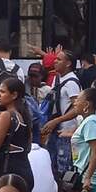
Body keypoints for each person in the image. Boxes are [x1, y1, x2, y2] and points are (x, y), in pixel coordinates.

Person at [39, 49, 81, 179]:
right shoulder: (57, 78)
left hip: (66, 131)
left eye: (59, 59)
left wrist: (57, 121)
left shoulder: (72, 83)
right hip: (55, 129)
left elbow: (77, 108)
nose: (55, 62)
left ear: (68, 64)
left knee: (65, 166)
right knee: (53, 164)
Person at [0, 78, 34, 191]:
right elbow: (28, 146)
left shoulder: (5, 115)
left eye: (2, 92)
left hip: (7, 172)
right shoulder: (24, 116)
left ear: (14, 95)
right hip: (24, 170)